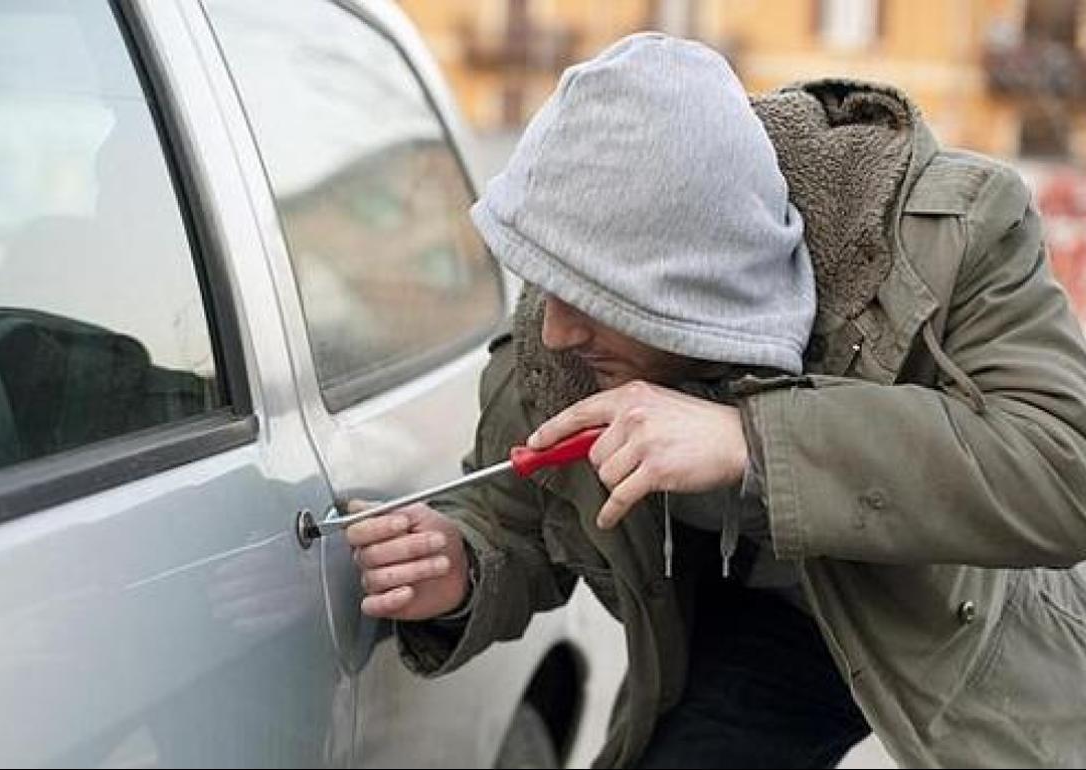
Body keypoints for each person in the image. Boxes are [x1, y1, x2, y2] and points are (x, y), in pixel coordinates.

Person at [346, 33, 1086, 769]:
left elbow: (1064, 469)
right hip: (770, 634)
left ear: (697, 285)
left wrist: (750, 441)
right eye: (550, 285)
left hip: (962, 617)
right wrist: (461, 569)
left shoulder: (952, 234)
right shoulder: (555, 354)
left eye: (595, 298)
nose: (556, 329)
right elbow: (515, 520)